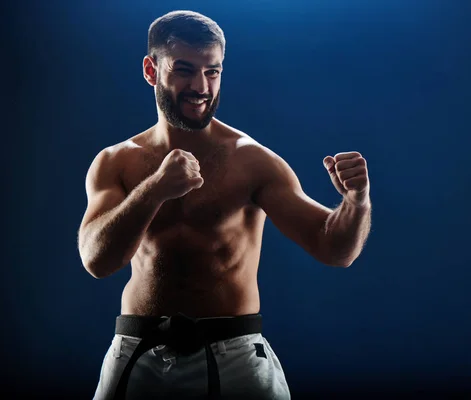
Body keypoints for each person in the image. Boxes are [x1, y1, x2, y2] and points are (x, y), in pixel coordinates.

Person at [77, 10, 372, 400]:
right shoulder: (117, 162)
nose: (200, 86)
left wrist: (356, 201)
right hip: (139, 350)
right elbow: (97, 261)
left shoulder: (251, 161)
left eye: (212, 72)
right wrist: (154, 190)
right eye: (184, 70)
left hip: (234, 355)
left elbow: (334, 248)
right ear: (151, 70)